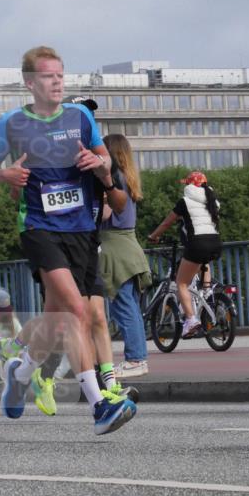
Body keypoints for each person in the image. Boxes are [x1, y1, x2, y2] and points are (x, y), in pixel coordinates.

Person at [0, 46, 136, 435]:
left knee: (53, 320)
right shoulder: (12, 123)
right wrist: (5, 176)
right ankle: (99, 405)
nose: (57, 83)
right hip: (38, 227)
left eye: (61, 76)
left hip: (81, 229)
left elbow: (105, 162)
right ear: (30, 82)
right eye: (49, 77)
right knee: (74, 311)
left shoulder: (80, 116)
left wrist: (98, 165)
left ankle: (21, 373)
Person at [147, 171, 223, 339]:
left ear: (189, 185)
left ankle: (190, 320)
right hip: (215, 243)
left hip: (197, 244)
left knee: (181, 282)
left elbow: (167, 222)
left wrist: (154, 236)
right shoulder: (213, 202)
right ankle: (207, 291)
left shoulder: (185, 202)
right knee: (203, 262)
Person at [100, 133, 152, 377]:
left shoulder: (113, 180)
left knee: (123, 307)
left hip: (115, 247)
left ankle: (135, 360)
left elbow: (105, 215)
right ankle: (138, 357)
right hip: (129, 245)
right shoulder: (128, 177)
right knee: (130, 306)